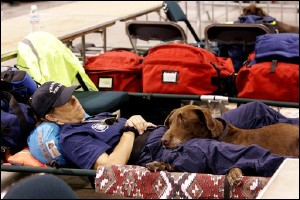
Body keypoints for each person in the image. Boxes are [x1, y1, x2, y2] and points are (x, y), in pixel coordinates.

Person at [28, 81, 298, 177]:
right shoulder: (73, 137)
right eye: (65, 101)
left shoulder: (91, 118)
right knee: (215, 152)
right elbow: (109, 167)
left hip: (166, 130)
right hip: (159, 153)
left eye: (71, 94)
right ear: (53, 116)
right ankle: (288, 171)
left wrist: (135, 120)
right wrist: (130, 131)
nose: (74, 99)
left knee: (256, 109)